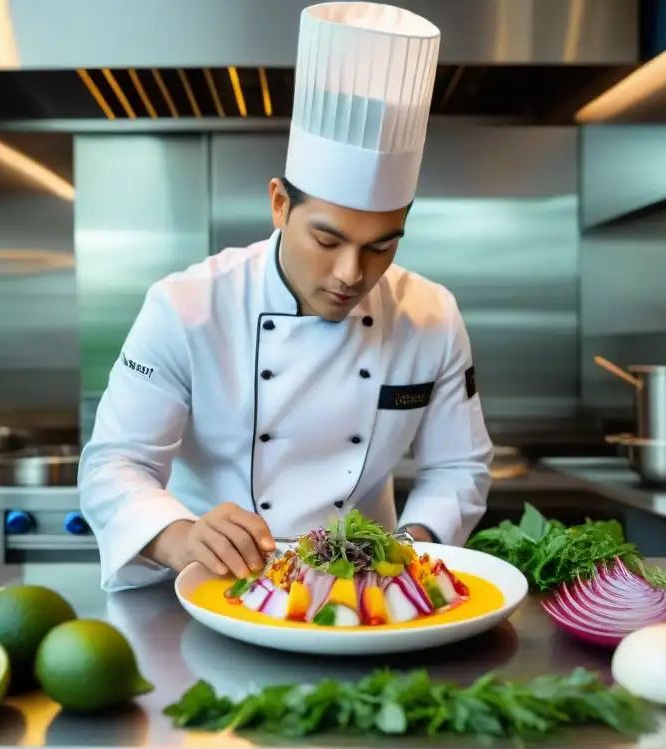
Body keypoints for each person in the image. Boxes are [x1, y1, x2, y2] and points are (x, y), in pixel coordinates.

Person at [79, 1, 494, 591]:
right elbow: (114, 465)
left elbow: (458, 467)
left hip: (365, 599)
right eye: (327, 239)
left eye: (381, 247)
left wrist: (405, 557)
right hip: (207, 585)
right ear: (279, 204)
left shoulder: (431, 315)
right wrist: (179, 538)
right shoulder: (188, 306)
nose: (351, 273)